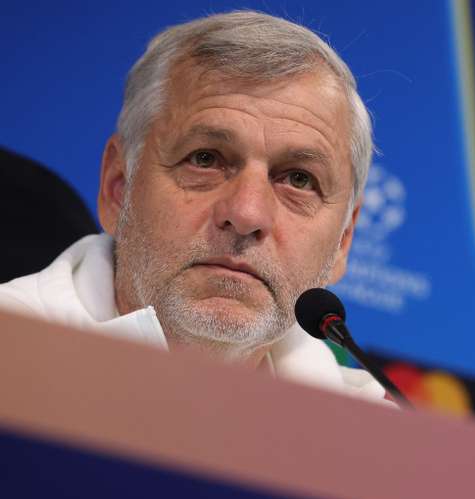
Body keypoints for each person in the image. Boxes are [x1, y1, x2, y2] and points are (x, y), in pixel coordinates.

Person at [0, 11, 385, 401]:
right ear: (118, 187)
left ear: (343, 241)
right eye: (205, 159)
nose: (246, 213)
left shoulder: (382, 441)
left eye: (299, 179)